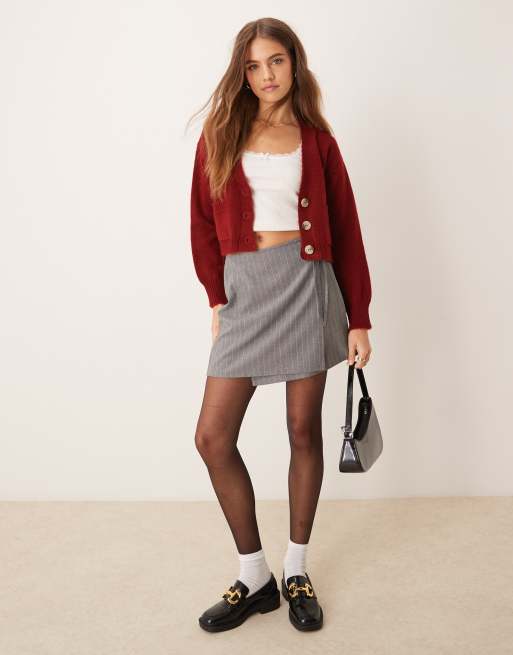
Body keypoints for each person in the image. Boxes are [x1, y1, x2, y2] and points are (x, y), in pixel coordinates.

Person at [188, 17, 373, 633]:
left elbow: (346, 230)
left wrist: (359, 317)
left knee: (302, 431)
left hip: (307, 287)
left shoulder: (316, 141)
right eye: (253, 65)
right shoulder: (219, 135)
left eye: (276, 61)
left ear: (295, 62)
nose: (266, 75)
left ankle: (295, 569)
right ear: (242, 74)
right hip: (245, 293)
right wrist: (217, 298)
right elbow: (201, 224)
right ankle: (254, 575)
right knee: (212, 437)